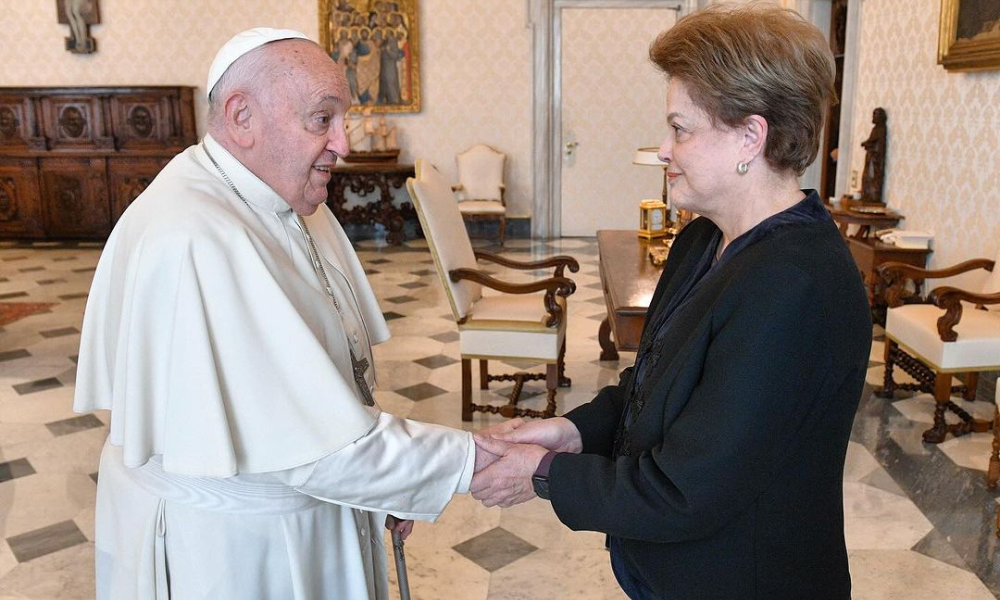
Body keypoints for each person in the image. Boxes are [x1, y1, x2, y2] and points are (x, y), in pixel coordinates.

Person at [74, 28, 495, 599]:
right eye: (322, 120)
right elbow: (317, 454)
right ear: (241, 117)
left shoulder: (289, 200)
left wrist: (388, 485)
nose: (343, 143)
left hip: (305, 514)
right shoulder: (196, 235)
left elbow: (325, 383)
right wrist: (475, 462)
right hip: (239, 550)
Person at [472, 5, 872, 600]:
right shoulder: (702, 239)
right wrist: (570, 432)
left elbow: (688, 489)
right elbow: (657, 388)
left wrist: (543, 473)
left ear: (749, 136)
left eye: (680, 128)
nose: (662, 149)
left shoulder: (797, 285)